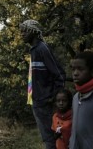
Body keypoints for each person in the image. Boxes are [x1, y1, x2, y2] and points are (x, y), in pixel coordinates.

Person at [19, 19, 66, 149]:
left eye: (24, 31)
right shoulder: (34, 50)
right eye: (21, 31)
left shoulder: (42, 49)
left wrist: (53, 98)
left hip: (44, 102)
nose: (21, 34)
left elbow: (59, 74)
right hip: (37, 101)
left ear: (33, 31)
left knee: (51, 138)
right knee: (47, 138)